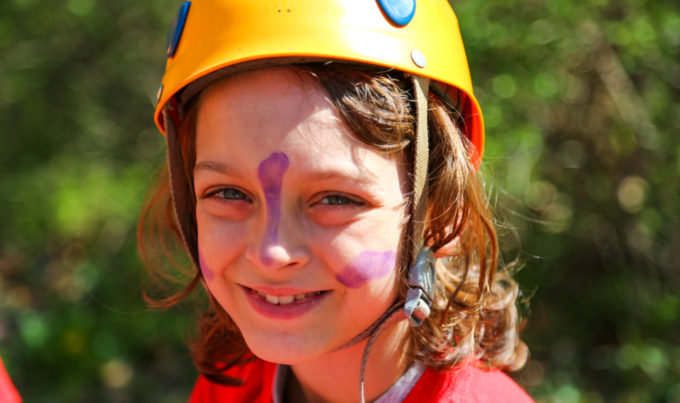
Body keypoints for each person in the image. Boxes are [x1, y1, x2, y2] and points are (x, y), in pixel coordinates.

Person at [139, 0, 533, 401]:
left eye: (334, 199)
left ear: (442, 214)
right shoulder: (230, 388)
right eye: (228, 193)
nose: (271, 252)